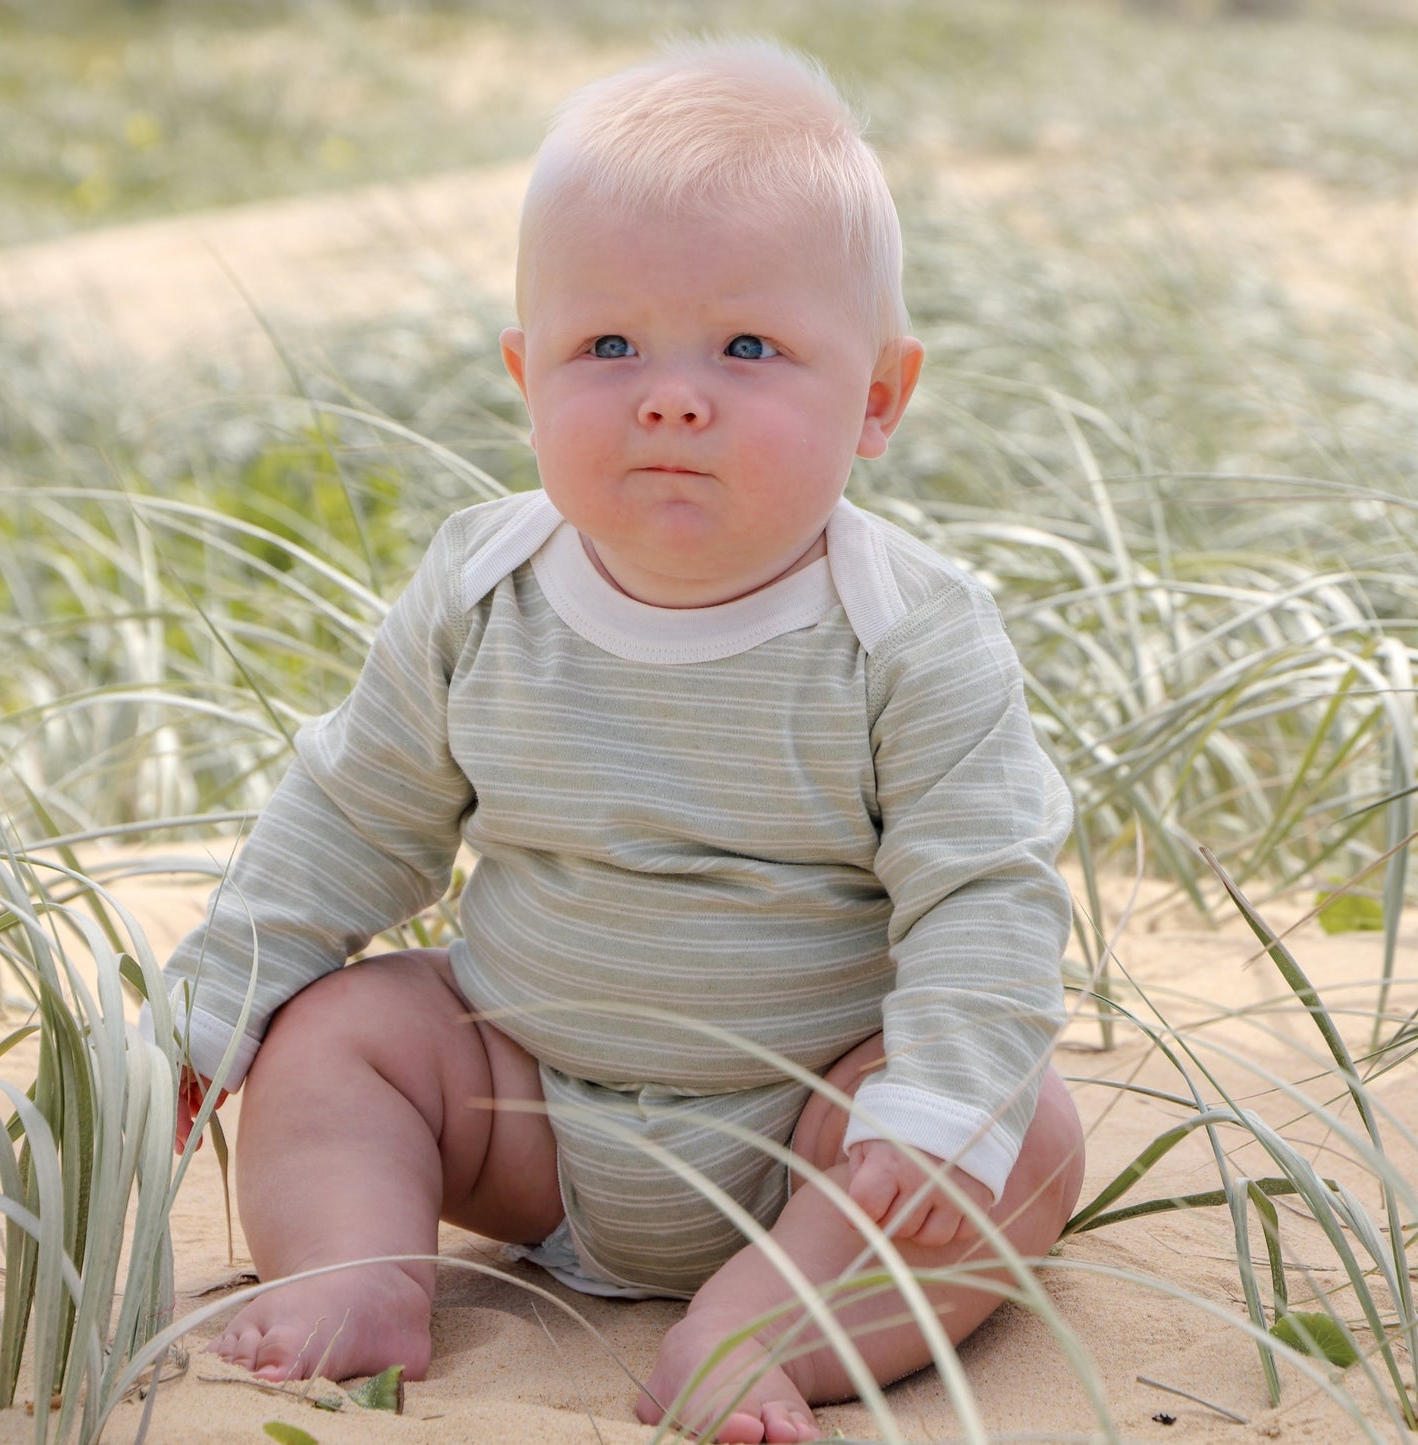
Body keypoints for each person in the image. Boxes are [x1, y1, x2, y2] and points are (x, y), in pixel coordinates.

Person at [160, 36, 1086, 1445]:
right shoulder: (485, 588)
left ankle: (752, 1326)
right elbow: (357, 813)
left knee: (1017, 1142)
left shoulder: (908, 632)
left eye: (748, 348)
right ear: (527, 373)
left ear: (879, 398)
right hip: (523, 1103)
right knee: (338, 1034)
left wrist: (933, 1104)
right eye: (608, 347)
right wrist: (216, 1008)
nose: (670, 394)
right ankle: (359, 1276)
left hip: (809, 1142)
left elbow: (984, 894)